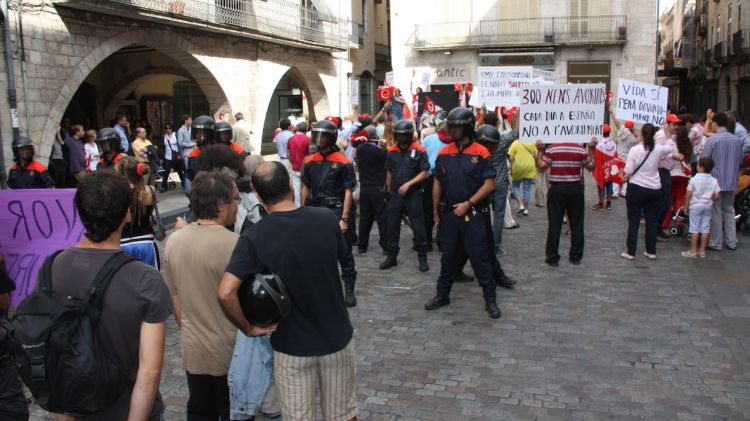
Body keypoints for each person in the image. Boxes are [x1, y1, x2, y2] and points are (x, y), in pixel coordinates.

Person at [218, 162, 358, 421]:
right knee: (343, 414)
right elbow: (345, 261)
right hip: (336, 337)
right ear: (291, 186)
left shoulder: (255, 236)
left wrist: (248, 328)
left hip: (290, 345)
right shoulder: (326, 219)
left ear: (259, 197)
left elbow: (226, 293)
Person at [50, 171, 171, 420]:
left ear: (81, 213)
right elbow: (149, 373)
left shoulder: (53, 267)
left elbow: (55, 351)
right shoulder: (146, 279)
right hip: (127, 408)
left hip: (77, 406)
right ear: (127, 213)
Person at [164, 169, 240, 420]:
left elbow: (175, 301)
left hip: (194, 350)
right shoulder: (235, 243)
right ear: (220, 204)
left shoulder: (174, 241)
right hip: (229, 351)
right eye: (234, 200)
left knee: (200, 408)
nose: (237, 206)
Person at [424, 107, 501, 319]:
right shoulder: (444, 152)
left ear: (466, 127)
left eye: (456, 127)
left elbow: (489, 184)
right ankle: (442, 295)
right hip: (449, 215)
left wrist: (468, 203)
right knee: (448, 258)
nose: (451, 130)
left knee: (480, 258)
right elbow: (438, 182)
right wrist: (436, 211)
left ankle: (490, 301)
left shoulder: (481, 151)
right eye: (450, 126)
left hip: (473, 214)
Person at [300, 120, 358, 307]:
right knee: (317, 253)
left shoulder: (343, 162)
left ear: (332, 138)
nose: (319, 139)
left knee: (344, 253)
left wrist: (344, 218)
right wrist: (302, 212)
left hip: (336, 210)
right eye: (316, 135)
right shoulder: (309, 161)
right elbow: (305, 188)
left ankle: (349, 288)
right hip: (315, 211)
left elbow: (348, 191)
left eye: (323, 135)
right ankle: (322, 290)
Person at [621, 123, 683, 260]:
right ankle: (651, 251)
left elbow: (629, 171)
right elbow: (670, 147)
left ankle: (631, 252)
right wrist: (667, 132)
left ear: (642, 134)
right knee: (652, 221)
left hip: (636, 187)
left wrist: (625, 174)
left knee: (634, 222)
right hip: (654, 188)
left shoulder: (635, 150)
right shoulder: (658, 149)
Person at [534, 138, 597, 266]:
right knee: (577, 224)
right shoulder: (579, 148)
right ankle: (575, 257)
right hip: (575, 189)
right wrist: (592, 150)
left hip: (557, 189)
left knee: (554, 224)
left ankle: (552, 257)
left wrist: (540, 151)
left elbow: (541, 167)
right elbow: (591, 166)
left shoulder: (552, 148)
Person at [380, 120, 430, 272]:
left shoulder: (419, 150)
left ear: (409, 135)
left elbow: (424, 173)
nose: (401, 138)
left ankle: (422, 257)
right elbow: (389, 171)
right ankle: (392, 257)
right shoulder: (391, 151)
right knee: (392, 226)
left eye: (403, 135)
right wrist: (387, 190)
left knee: (418, 227)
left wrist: (409, 184)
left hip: (413, 194)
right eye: (398, 135)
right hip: (395, 194)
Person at [702, 112, 745, 251]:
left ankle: (716, 242)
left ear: (715, 123)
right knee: (729, 210)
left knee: (716, 211)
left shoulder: (713, 140)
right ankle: (732, 241)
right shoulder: (737, 140)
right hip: (732, 181)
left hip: (716, 182)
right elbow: (741, 160)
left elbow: (705, 160)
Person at [116, 157, 160, 269]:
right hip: (146, 242)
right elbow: (149, 213)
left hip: (123, 243)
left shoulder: (117, 193)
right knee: (152, 281)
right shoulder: (150, 190)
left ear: (124, 174)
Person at [354, 125, 388, 254]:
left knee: (365, 217)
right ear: (375, 136)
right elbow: (386, 161)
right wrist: (384, 149)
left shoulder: (360, 148)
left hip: (365, 187)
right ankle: (385, 245)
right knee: (381, 217)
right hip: (378, 187)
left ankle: (362, 244)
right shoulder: (378, 151)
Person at [682, 157, 721, 258]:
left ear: (701, 167)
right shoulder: (714, 180)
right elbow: (717, 196)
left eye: (698, 165)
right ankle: (702, 251)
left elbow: (688, 194)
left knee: (694, 229)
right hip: (708, 206)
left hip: (695, 206)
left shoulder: (694, 179)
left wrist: (686, 206)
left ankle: (693, 252)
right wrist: (709, 198)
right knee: (705, 228)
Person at [655, 113, 682, 240]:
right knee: (663, 203)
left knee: (665, 203)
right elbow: (658, 153)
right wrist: (673, 156)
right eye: (674, 124)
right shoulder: (661, 136)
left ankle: (658, 229)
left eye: (677, 124)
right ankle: (656, 230)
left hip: (666, 171)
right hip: (661, 171)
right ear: (667, 124)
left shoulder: (670, 136)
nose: (676, 126)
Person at [663, 126, 693, 230]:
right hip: (683, 175)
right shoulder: (688, 145)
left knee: (669, 199)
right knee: (680, 198)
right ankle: (679, 221)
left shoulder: (673, 144)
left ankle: (665, 222)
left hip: (671, 173)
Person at [508, 138, 537, 216]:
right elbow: (536, 155)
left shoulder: (515, 143)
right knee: (527, 188)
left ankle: (520, 204)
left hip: (518, 167)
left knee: (515, 186)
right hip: (529, 167)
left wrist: (511, 167)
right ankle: (526, 209)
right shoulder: (532, 142)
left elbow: (511, 158)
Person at [592, 124, 618, 210]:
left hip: (602, 168)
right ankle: (609, 204)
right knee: (609, 184)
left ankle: (601, 204)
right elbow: (615, 156)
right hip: (610, 168)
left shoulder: (599, 144)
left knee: (601, 185)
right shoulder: (613, 143)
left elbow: (596, 157)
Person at [185, 115, 217, 182]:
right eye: (196, 133)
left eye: (201, 132)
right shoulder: (193, 154)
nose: (198, 135)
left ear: (209, 133)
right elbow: (195, 177)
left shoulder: (220, 151)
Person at [287, 121, 311, 206]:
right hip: (305, 168)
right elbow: (311, 155)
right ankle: (304, 205)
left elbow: (288, 154)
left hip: (295, 167)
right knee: (306, 188)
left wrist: (293, 162)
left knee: (296, 189)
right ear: (306, 129)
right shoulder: (308, 139)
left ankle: (297, 206)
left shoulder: (291, 139)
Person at [161, 122, 184, 192]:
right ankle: (164, 186)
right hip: (168, 157)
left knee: (179, 171)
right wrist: (162, 158)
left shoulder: (176, 135)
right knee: (166, 171)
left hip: (176, 156)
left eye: (169, 128)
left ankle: (184, 184)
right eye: (166, 128)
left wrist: (180, 154)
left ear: (172, 129)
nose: (168, 130)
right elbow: (163, 147)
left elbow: (180, 145)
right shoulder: (164, 136)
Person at [178, 114, 194, 193]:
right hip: (186, 153)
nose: (191, 121)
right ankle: (187, 189)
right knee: (187, 170)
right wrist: (192, 144)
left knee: (192, 170)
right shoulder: (180, 130)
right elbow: (180, 143)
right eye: (190, 120)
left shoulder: (191, 128)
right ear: (185, 121)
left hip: (193, 152)